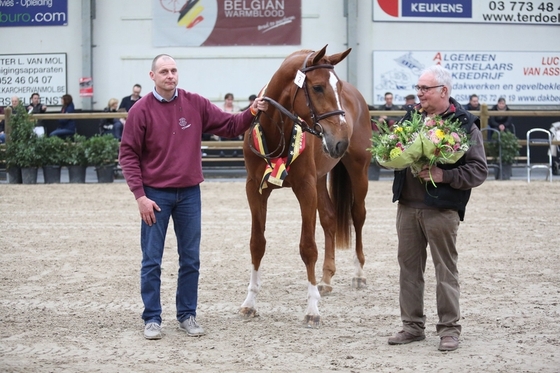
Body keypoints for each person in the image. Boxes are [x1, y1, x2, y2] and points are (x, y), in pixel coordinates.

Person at [118, 54, 268, 341]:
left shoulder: (195, 103)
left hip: (189, 194)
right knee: (152, 260)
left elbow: (230, 125)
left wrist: (251, 112)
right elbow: (127, 154)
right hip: (155, 196)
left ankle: (187, 315)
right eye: (164, 71)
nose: (170, 75)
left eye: (174, 70)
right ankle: (152, 318)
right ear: (153, 77)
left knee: (191, 259)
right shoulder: (140, 110)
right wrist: (140, 196)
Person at [388, 65, 487, 352]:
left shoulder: (465, 123)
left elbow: (479, 170)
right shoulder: (411, 117)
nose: (419, 94)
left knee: (445, 270)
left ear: (444, 91)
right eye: (418, 88)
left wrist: (446, 176)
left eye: (425, 89)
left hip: (442, 209)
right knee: (408, 269)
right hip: (407, 206)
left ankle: (449, 329)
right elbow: (396, 147)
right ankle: (412, 326)